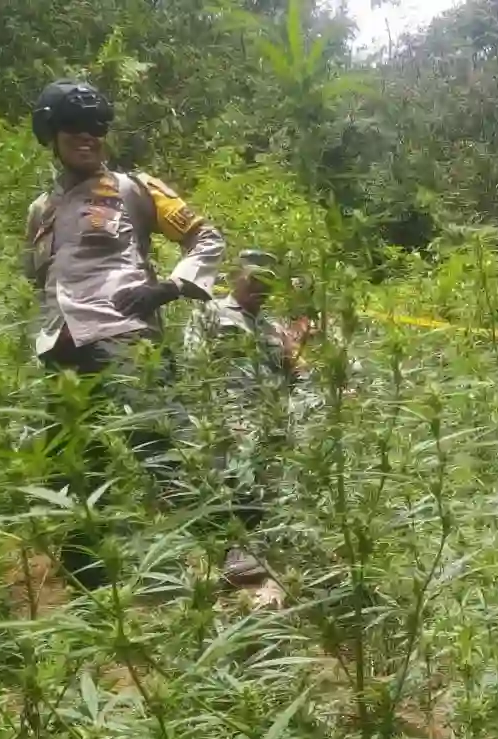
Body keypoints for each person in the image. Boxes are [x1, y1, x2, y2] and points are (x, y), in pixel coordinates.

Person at [23, 78, 231, 590]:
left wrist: (170, 287)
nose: (87, 135)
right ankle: (88, 576)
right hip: (61, 343)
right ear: (51, 134)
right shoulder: (40, 209)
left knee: (163, 438)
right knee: (74, 458)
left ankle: (233, 543)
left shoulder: (134, 188)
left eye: (96, 126)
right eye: (74, 125)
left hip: (124, 332)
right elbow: (39, 275)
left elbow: (206, 236)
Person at [184, 249, 311, 587]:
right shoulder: (211, 312)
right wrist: (210, 412)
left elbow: (295, 376)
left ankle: (259, 552)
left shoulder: (273, 328)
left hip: (271, 415)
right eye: (254, 280)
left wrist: (297, 348)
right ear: (235, 277)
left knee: (276, 482)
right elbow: (194, 363)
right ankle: (235, 554)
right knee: (241, 472)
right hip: (228, 412)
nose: (261, 289)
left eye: (268, 283)